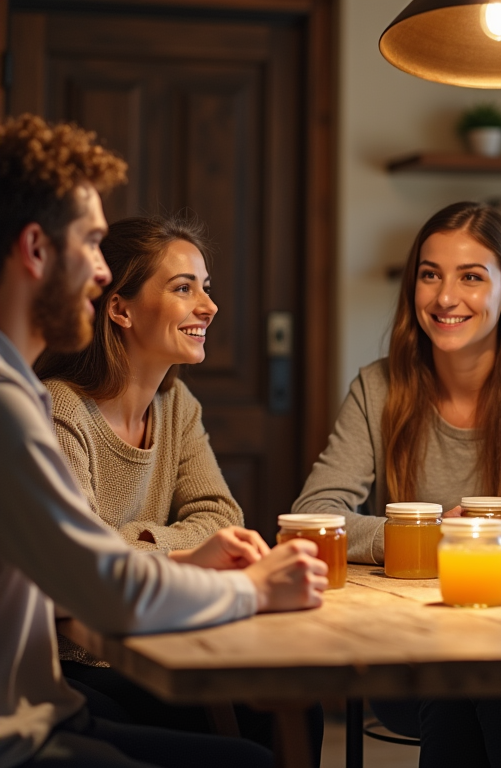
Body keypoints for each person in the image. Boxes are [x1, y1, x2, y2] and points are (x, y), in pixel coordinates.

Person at [0, 113, 327, 768]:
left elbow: (204, 524)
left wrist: (172, 552)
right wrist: (255, 589)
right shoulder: (19, 406)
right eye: (92, 244)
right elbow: (98, 582)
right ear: (37, 250)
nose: (100, 272)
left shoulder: (26, 395)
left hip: (47, 714)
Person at [292, 201, 501, 767]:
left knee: (499, 677)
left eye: (471, 277)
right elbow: (315, 510)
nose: (446, 297)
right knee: (466, 679)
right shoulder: (379, 387)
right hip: (411, 654)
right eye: (430, 275)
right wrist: (417, 533)